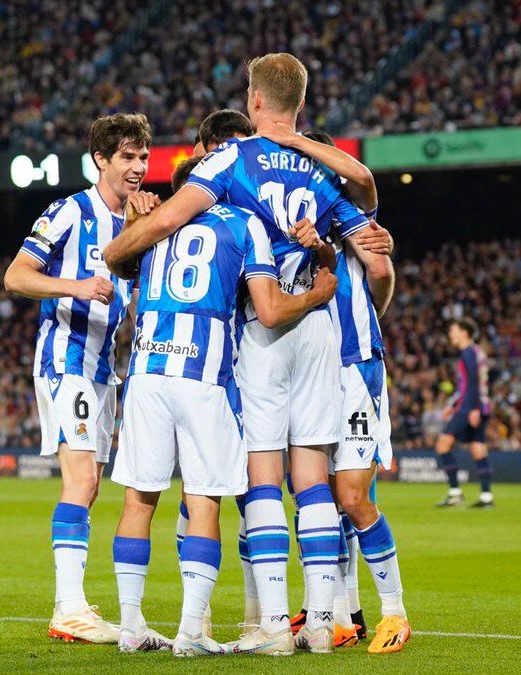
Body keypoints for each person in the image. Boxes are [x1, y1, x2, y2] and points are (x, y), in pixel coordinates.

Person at [106, 53, 389, 655]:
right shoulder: (319, 172)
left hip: (261, 330)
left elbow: (173, 220)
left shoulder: (230, 160)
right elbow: (363, 208)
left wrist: (120, 246)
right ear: (300, 104)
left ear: (255, 100)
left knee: (264, 480)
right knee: (312, 477)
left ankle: (273, 627)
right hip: (319, 329)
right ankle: (319, 622)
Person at [106, 157, 336, 656]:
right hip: (203, 378)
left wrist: (132, 219)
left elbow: (118, 262)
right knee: (204, 498)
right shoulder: (243, 222)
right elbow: (271, 311)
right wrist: (318, 293)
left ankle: (129, 626)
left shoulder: (155, 220)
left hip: (146, 373)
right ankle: (190, 633)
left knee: (138, 499)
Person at [3, 112, 158, 644]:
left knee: (90, 489)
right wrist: (75, 286)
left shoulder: (139, 220)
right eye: (128, 157)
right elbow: (16, 276)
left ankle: (73, 603)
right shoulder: (70, 212)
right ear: (101, 160)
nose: (139, 167)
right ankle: (68, 608)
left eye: (144, 157)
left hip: (102, 371)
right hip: (65, 362)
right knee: (84, 481)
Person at [263, 128, 406, 652]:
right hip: (311, 366)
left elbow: (381, 267)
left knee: (350, 494)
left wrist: (370, 324)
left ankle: (395, 611)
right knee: (316, 493)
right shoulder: (283, 222)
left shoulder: (344, 210)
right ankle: (344, 613)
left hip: (353, 367)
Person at [435, 318, 495, 508]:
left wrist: (473, 408)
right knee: (478, 449)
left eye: (453, 331)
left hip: (471, 408)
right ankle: (486, 497)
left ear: (464, 332)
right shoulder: (476, 352)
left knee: (443, 445)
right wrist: (453, 404)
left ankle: (455, 493)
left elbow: (473, 385)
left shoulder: (469, 353)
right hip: (480, 407)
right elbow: (468, 385)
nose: (450, 334)